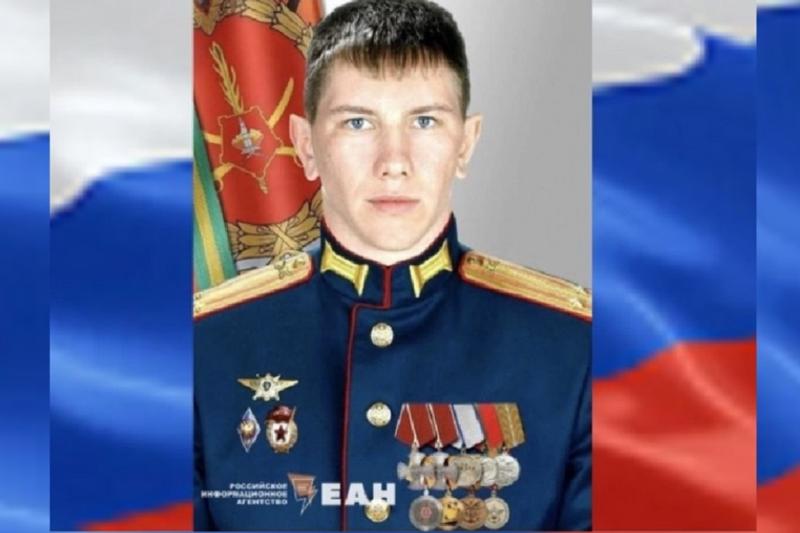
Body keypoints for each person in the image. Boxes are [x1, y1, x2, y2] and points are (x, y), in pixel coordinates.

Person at [193, 0, 591, 530]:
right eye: (358, 123)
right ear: (305, 147)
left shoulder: (573, 349)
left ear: (466, 144)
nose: (394, 162)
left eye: (424, 121)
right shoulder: (204, 345)